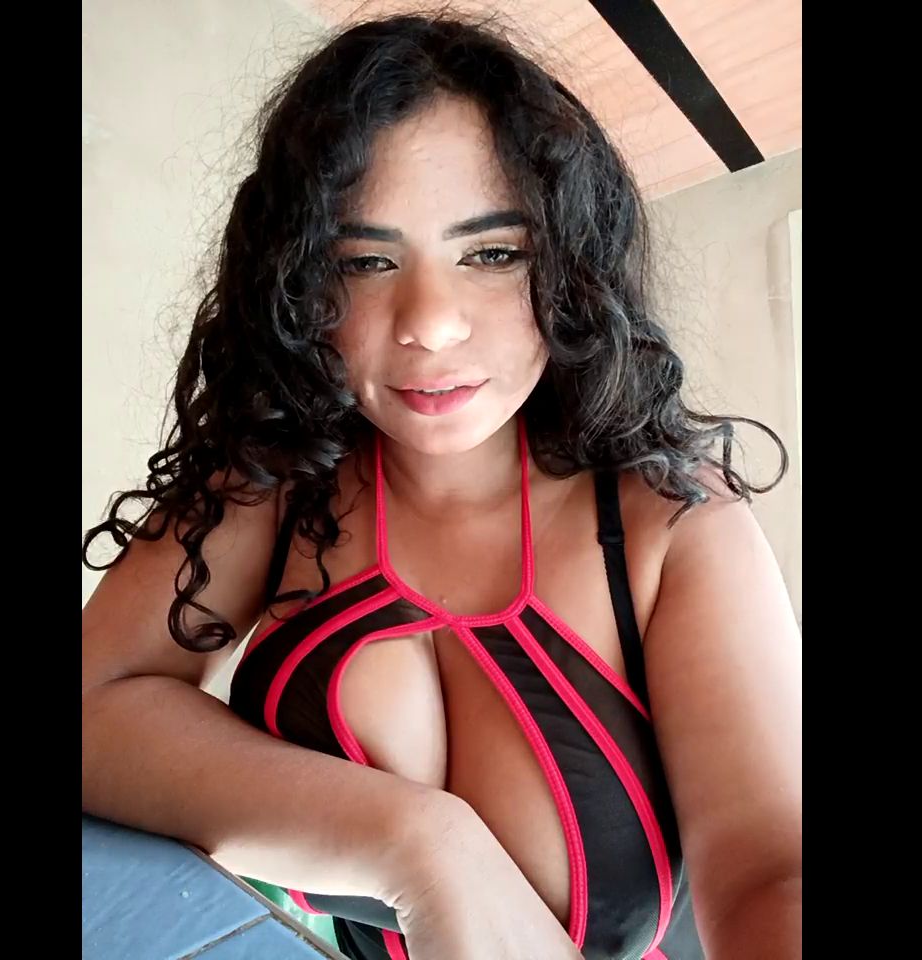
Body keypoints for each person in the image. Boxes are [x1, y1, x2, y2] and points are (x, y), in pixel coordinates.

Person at [82, 14, 802, 960]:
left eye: (492, 253)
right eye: (365, 262)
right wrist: (419, 844)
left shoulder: (673, 522)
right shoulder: (277, 479)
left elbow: (770, 870)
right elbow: (93, 702)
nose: (428, 323)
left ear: (573, 266)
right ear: (299, 288)